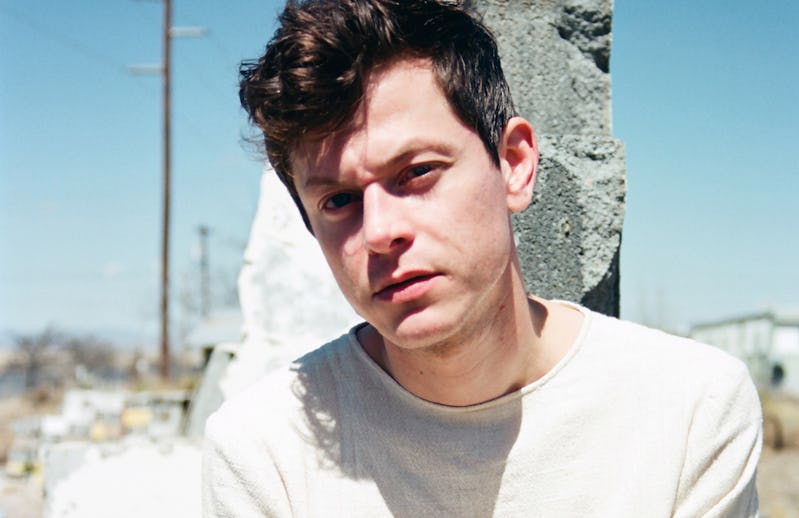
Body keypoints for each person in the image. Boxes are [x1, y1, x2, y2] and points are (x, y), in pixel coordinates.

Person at [202, 1, 762, 516]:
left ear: (514, 165)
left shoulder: (690, 410)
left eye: (417, 172)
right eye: (339, 201)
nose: (378, 231)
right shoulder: (263, 453)